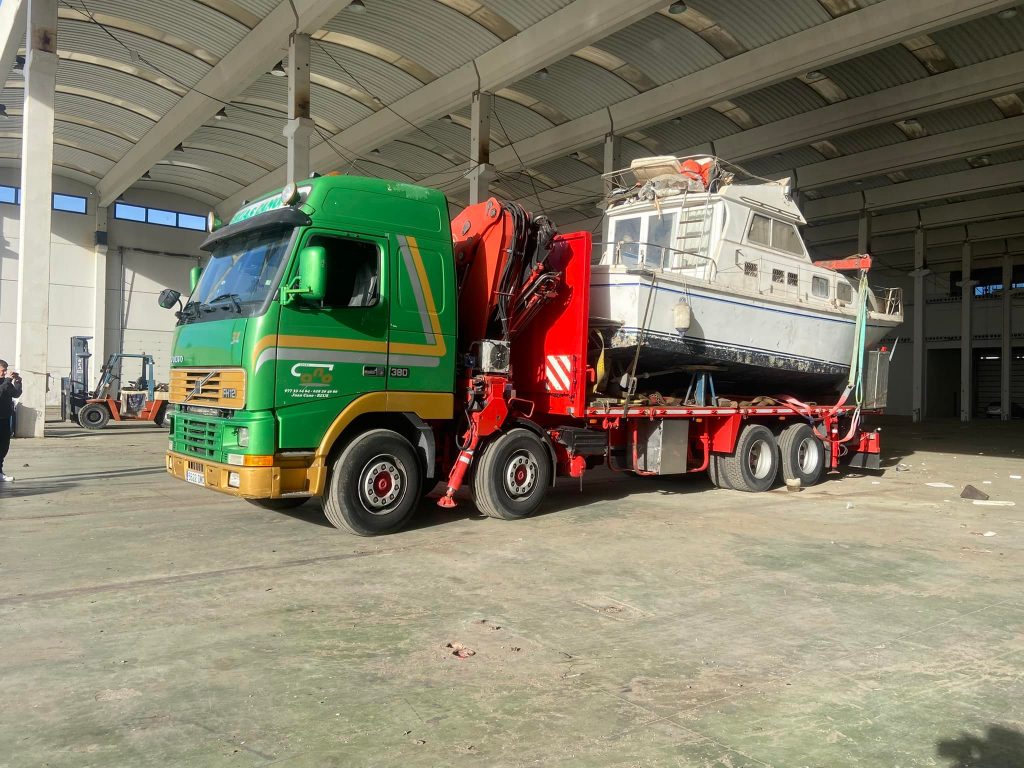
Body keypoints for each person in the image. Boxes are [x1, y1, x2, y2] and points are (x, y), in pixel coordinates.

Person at [0, 359, 22, 482]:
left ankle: (0, 472)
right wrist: (8, 380)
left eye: (6, 371)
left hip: (4, 419)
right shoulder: (5, 382)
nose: (5, 373)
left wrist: (18, 382)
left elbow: (15, 393)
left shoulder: (5, 382)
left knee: (3, 447)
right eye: (3, 371)